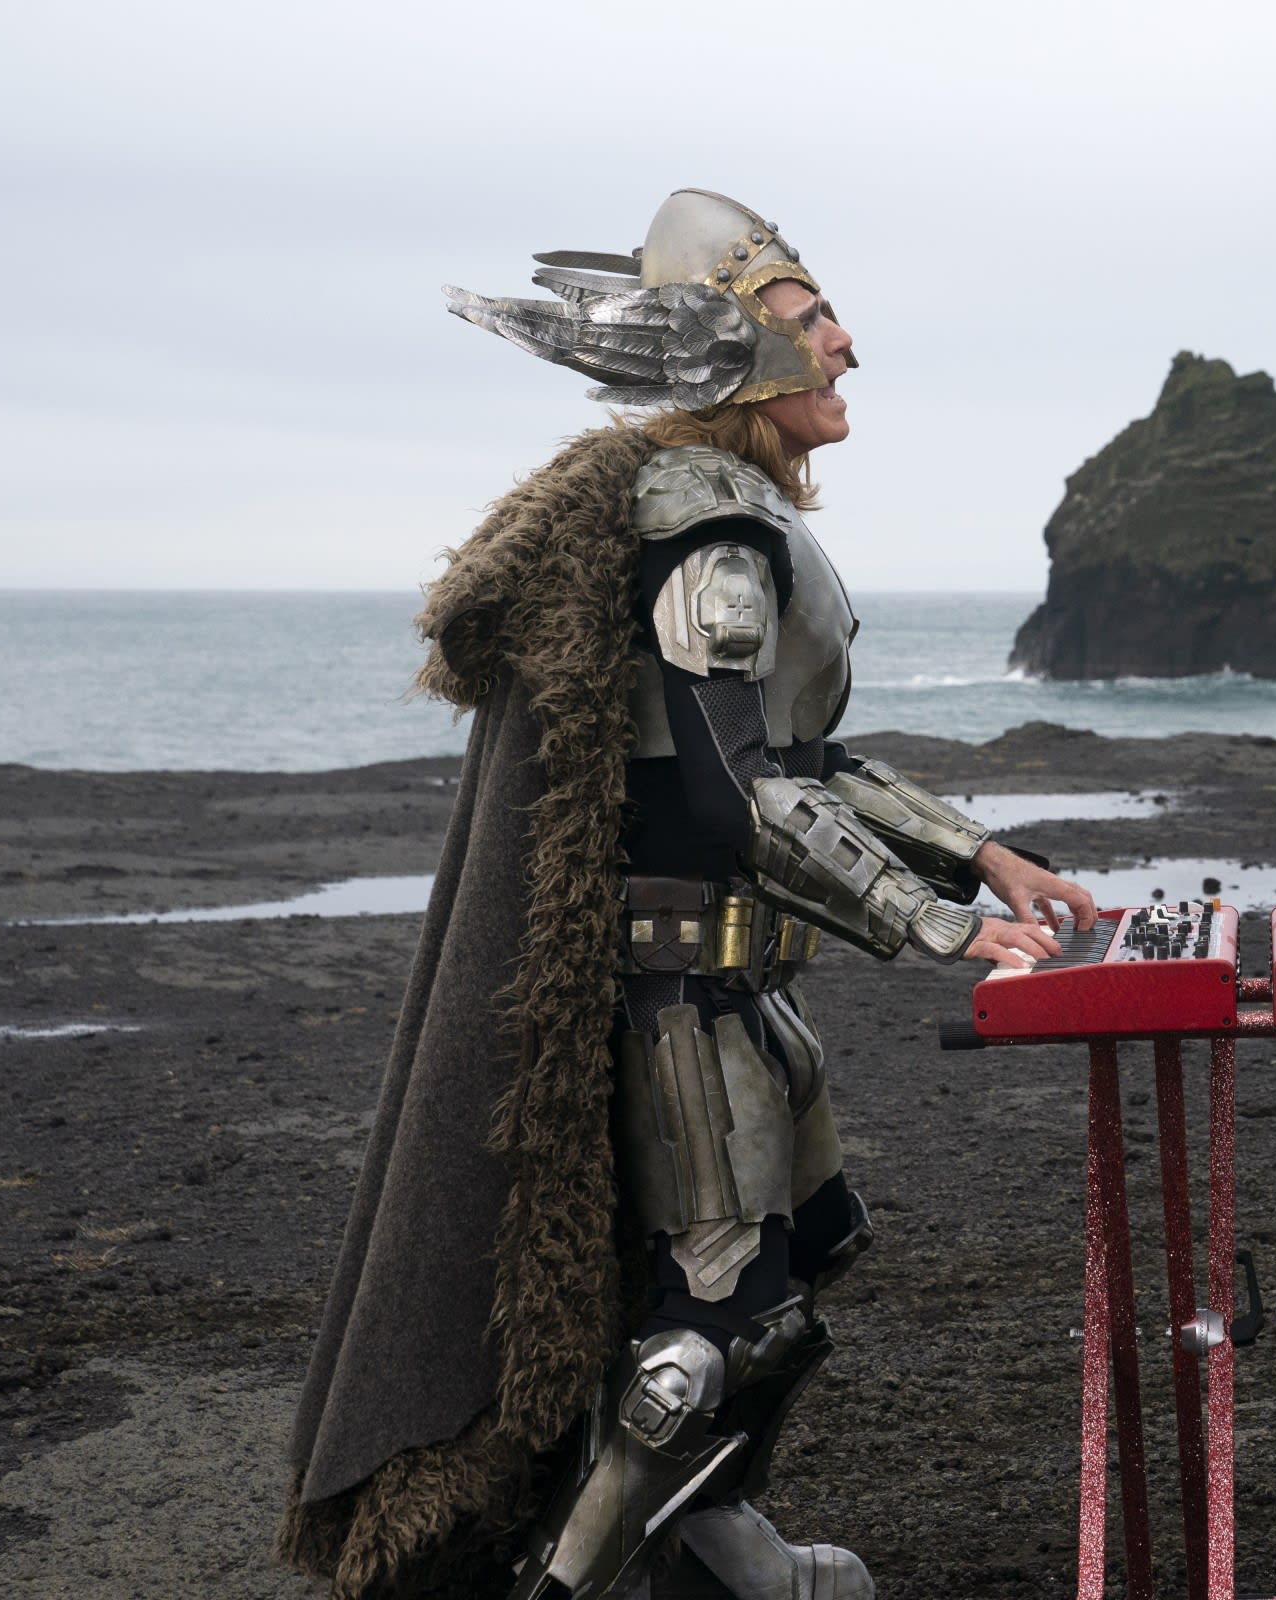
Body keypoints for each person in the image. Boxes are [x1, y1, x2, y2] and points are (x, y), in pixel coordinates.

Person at [279, 188, 1094, 1600]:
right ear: (727, 358)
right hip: (681, 996)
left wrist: (976, 854)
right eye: (807, 320)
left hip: (740, 985)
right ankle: (577, 1586)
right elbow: (739, 798)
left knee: (797, 1261)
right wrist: (944, 927)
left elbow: (801, 756)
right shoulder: (709, 538)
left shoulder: (732, 517)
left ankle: (706, 1548)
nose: (845, 346)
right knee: (713, 1323)